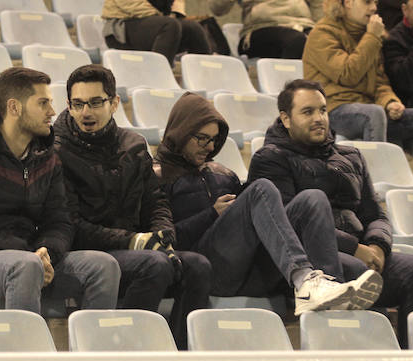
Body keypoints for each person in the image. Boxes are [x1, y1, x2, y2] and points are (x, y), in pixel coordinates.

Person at [156, 91, 383, 316]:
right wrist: (212, 214)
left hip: (250, 270)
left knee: (313, 199)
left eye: (214, 140)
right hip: (205, 270)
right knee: (261, 188)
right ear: (182, 132)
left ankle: (329, 291)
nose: (209, 146)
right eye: (202, 138)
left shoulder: (224, 174)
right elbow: (159, 240)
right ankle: (304, 282)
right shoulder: (158, 176)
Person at [248, 80, 413, 344]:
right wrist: (356, 249)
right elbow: (287, 225)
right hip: (306, 261)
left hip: (360, 251)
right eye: (308, 112)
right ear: (286, 118)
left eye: (323, 110)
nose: (318, 119)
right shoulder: (270, 158)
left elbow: (375, 214)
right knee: (358, 269)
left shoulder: (351, 156)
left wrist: (378, 247)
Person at [0, 67, 120, 314]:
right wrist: (28, 252)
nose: (53, 112)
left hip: (31, 258)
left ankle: (92, 350)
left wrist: (48, 250)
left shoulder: (47, 157)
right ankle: (26, 351)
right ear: (14, 107)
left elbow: (60, 221)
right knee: (25, 266)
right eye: (43, 103)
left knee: (104, 266)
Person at [53, 65, 210, 347]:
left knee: (197, 266)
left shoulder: (133, 144)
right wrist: (134, 241)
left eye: (95, 102)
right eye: (78, 104)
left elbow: (156, 200)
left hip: (134, 248)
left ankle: (178, 353)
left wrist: (162, 233)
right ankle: (125, 350)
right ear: (68, 106)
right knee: (155, 265)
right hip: (87, 252)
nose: (86, 112)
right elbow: (70, 224)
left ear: (114, 103)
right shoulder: (57, 151)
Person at [303, 0, 413, 149]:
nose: (373, 8)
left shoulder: (368, 35)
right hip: (332, 109)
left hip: (368, 107)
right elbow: (347, 75)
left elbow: (380, 82)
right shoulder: (323, 33)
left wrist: (390, 102)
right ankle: (375, 173)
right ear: (348, 2)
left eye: (375, 3)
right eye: (367, 1)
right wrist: (372, 37)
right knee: (373, 114)